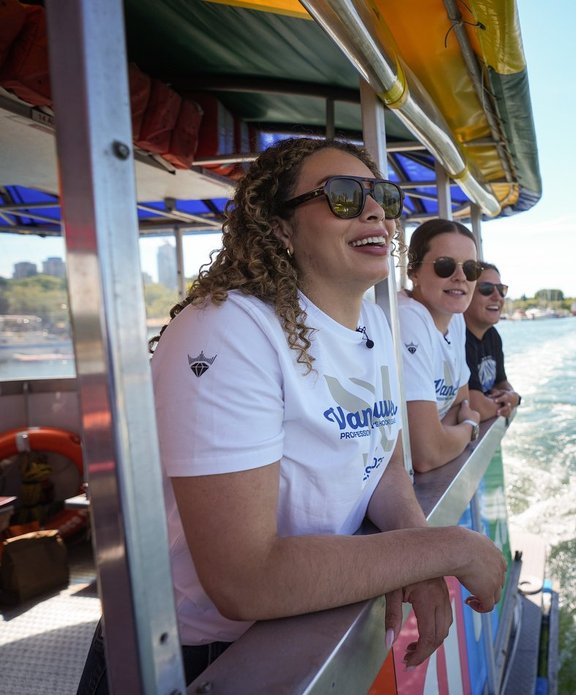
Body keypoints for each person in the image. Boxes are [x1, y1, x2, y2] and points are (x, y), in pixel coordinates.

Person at [77, 138, 505, 693]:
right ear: (280, 228)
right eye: (345, 196)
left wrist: (416, 555)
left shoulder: (375, 324)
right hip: (198, 658)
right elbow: (243, 578)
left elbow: (386, 466)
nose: (375, 209)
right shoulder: (231, 330)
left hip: (309, 620)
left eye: (383, 196)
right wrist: (445, 547)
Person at [398, 219, 482, 473]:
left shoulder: (455, 319)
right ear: (413, 272)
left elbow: (462, 399)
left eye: (471, 269)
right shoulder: (408, 318)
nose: (460, 277)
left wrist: (442, 432)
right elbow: (426, 454)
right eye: (445, 266)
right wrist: (469, 428)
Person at [464, 262, 521, 421]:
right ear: (466, 293)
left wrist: (512, 396)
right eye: (486, 289)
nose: (497, 296)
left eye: (501, 290)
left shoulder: (492, 335)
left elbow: (502, 383)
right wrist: (510, 402)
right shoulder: (458, 338)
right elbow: (476, 408)